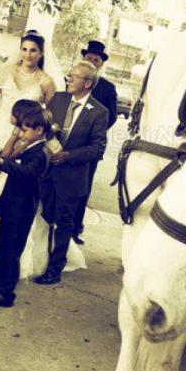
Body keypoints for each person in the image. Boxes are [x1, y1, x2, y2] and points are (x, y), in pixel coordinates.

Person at [0, 32, 85, 279]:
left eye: (33, 50)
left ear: (41, 54)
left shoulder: (46, 82)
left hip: (23, 139)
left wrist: (43, 145)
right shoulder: (5, 71)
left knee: (8, 198)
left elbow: (49, 121)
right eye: (24, 49)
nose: (28, 54)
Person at [34, 61, 108, 285]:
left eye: (73, 76)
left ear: (87, 83)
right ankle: (39, 259)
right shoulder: (58, 99)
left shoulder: (99, 112)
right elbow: (43, 127)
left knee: (63, 224)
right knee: (44, 218)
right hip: (46, 173)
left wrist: (69, 155)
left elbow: (98, 148)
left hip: (72, 179)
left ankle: (54, 270)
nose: (68, 79)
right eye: (69, 75)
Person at [0, 108, 52, 307]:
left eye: (25, 130)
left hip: (21, 209)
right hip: (12, 206)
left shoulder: (40, 153)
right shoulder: (29, 146)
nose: (21, 134)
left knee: (11, 253)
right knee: (3, 249)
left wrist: (4, 164)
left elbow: (28, 173)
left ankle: (5, 293)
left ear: (39, 130)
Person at [73, 40, 118, 245]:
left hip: (91, 144)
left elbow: (112, 117)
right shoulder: (72, 78)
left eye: (96, 60)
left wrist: (92, 129)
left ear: (100, 64)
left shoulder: (108, 87)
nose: (92, 61)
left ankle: (75, 228)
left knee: (83, 186)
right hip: (68, 140)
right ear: (83, 58)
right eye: (89, 58)